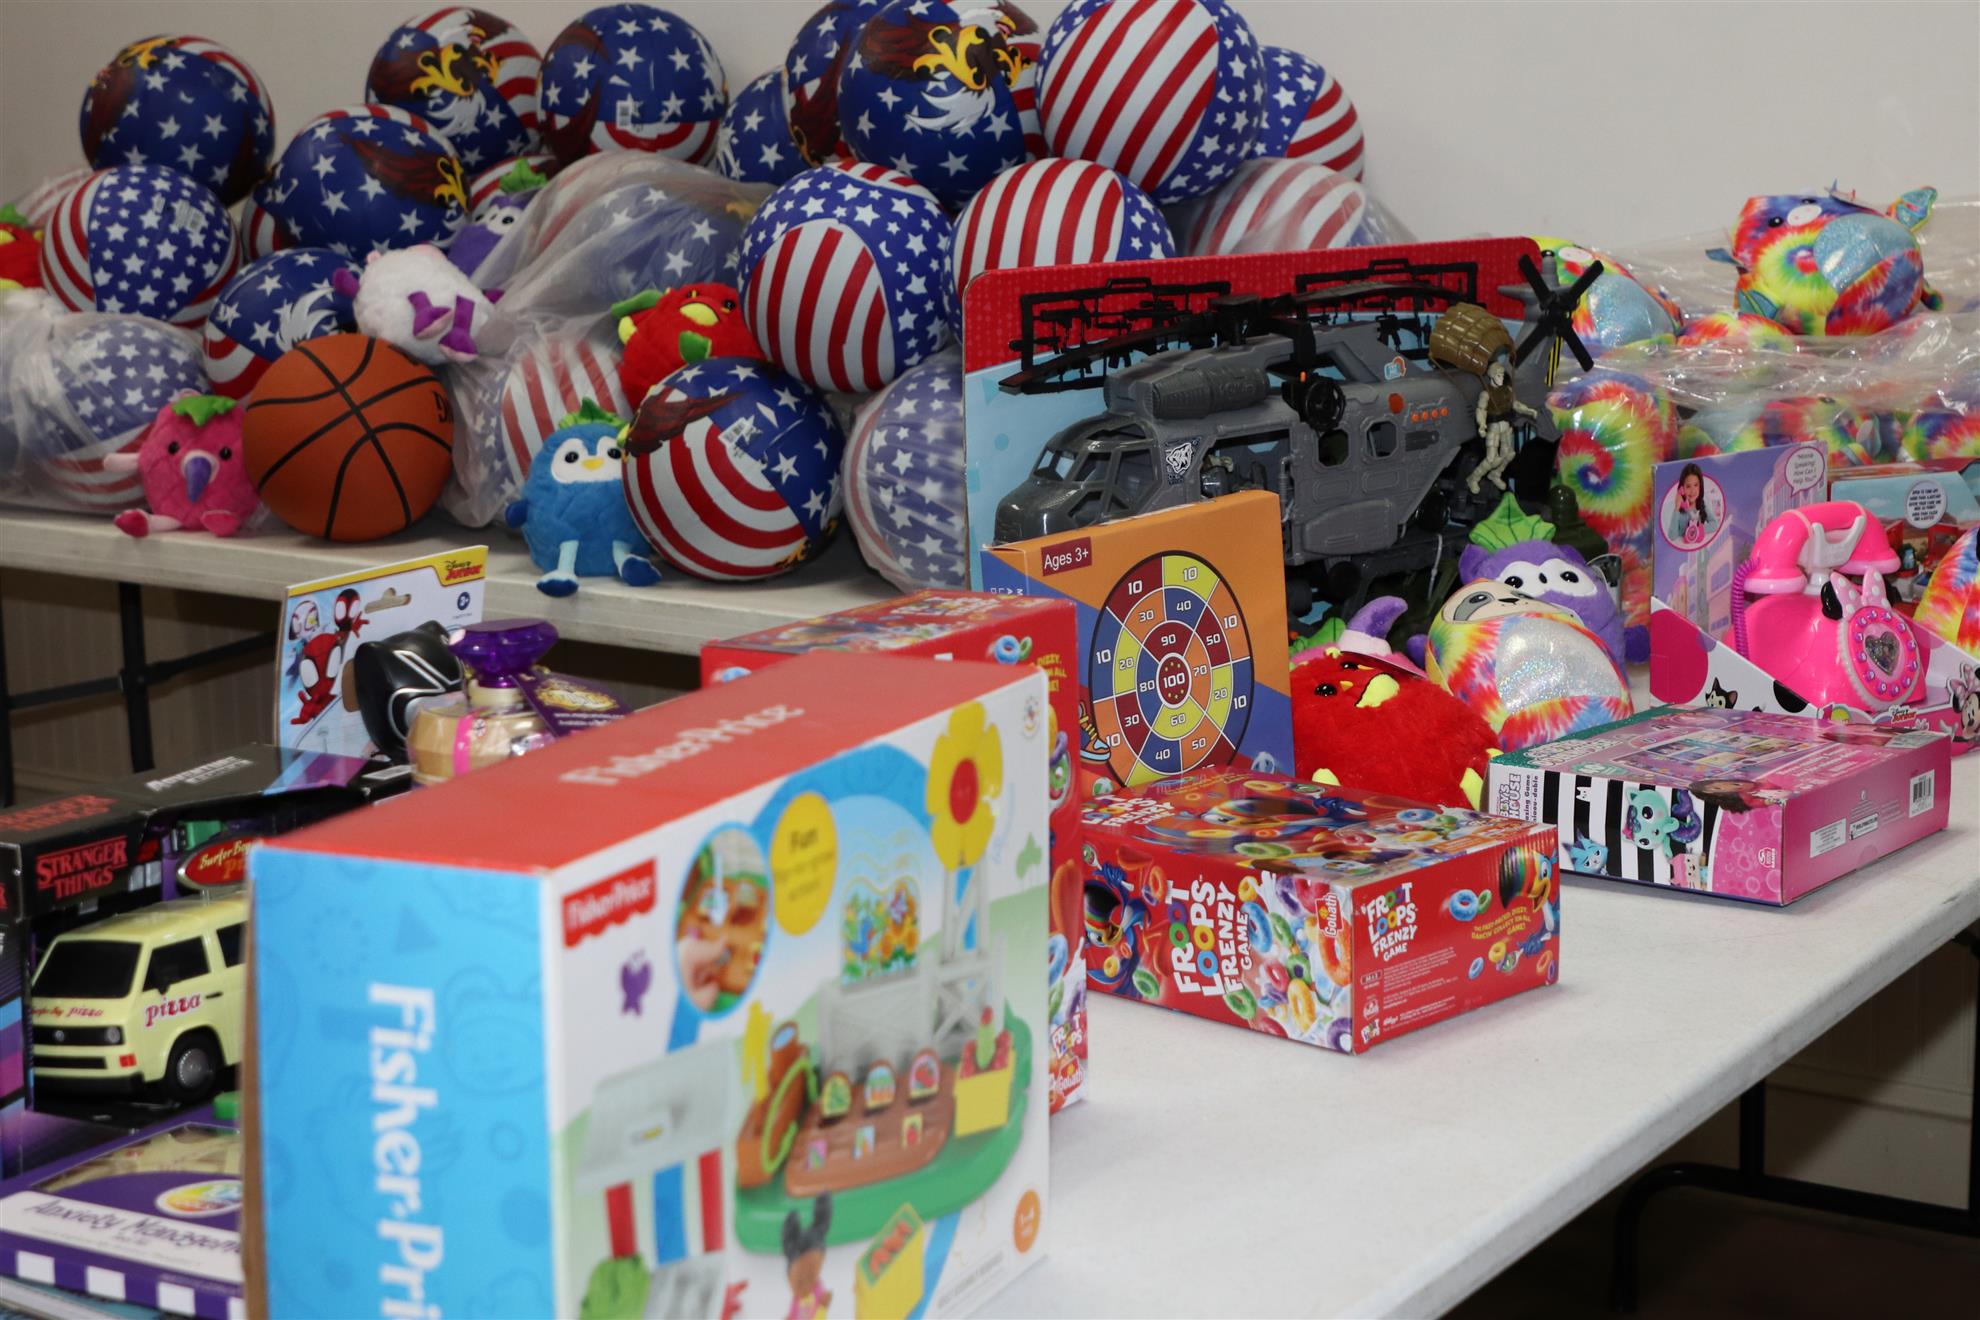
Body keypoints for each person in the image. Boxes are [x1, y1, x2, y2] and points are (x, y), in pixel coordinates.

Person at [1470, 355, 1537, 493]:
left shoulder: (1508, 390)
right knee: (1491, 459)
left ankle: (1495, 474)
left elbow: (1516, 405)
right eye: (1498, 375)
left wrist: (1529, 411)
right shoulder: (1486, 394)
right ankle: (1473, 478)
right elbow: (1481, 410)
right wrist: (1481, 425)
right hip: (1494, 428)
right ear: (1492, 376)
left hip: (1506, 427)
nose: (1501, 378)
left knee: (1509, 454)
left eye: (1502, 375)